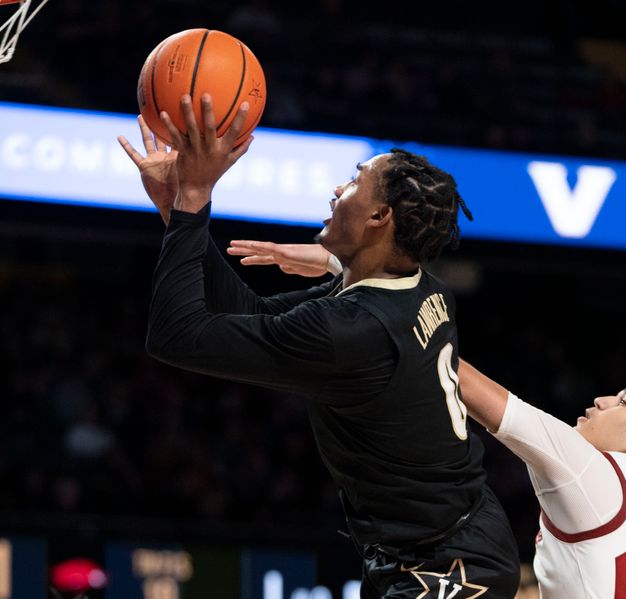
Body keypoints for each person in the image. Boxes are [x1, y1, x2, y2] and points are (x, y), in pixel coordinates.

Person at [117, 94, 520, 599]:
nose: (336, 189)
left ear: (380, 216)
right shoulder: (413, 287)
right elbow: (252, 316)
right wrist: (176, 211)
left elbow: (176, 335)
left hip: (450, 566)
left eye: (353, 180)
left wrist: (194, 195)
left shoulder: (354, 326)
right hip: (443, 540)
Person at [231, 239, 626, 598]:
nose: (601, 401)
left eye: (624, 401)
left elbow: (448, 368)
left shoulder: (600, 480)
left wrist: (347, 270)